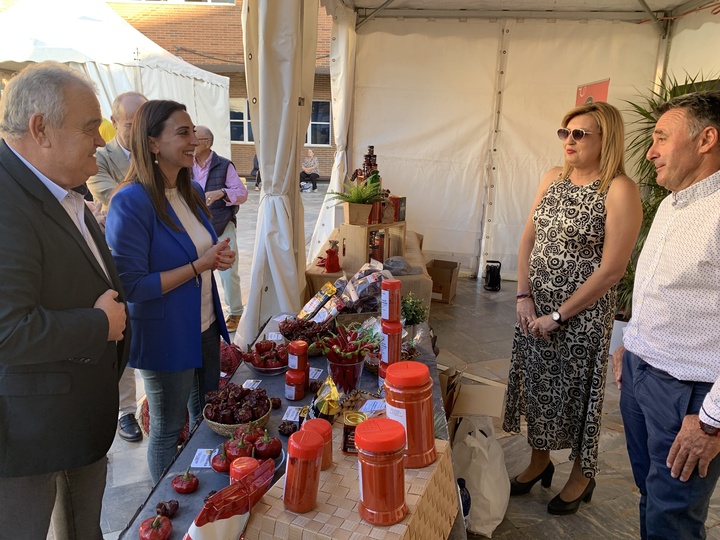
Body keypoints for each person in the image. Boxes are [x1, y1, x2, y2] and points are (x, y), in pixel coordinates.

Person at [0, 61, 128, 539]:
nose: (101, 140)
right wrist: (99, 326)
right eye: (90, 127)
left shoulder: (60, 190)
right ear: (41, 129)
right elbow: (7, 330)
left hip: (74, 419)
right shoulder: (6, 199)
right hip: (26, 438)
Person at [502, 101, 642, 515]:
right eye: (565, 132)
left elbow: (613, 268)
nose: (569, 140)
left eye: (580, 134)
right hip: (535, 307)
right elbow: (528, 238)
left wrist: (559, 315)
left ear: (606, 139)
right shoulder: (552, 178)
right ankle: (539, 460)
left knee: (579, 394)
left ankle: (582, 474)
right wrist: (523, 297)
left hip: (581, 316)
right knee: (540, 386)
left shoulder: (619, 188)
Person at [105, 100, 235, 483]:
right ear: (152, 143)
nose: (193, 140)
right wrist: (199, 265)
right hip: (164, 334)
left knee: (207, 416)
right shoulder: (131, 202)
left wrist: (215, 259)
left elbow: (201, 252)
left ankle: (203, 491)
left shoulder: (191, 191)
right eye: (183, 132)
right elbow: (132, 285)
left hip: (206, 324)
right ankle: (164, 511)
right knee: (166, 428)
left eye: (193, 131)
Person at [612, 91, 720, 539]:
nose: (650, 151)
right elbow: (656, 289)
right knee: (651, 495)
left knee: (672, 515)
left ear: (706, 139)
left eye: (661, 137)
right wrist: (628, 344)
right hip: (641, 375)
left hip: (690, 393)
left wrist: (713, 421)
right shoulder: (673, 203)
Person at [87, 91, 148, 443]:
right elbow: (116, 199)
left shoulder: (154, 150)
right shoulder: (100, 158)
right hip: (117, 258)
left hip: (154, 257)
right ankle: (126, 410)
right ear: (114, 124)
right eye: (131, 123)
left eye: (144, 122)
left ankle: (154, 402)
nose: (139, 130)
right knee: (120, 331)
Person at [193, 125, 248, 332]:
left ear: (206, 142)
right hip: (194, 225)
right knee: (196, 269)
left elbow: (242, 193)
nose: (190, 142)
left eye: (195, 139)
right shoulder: (185, 164)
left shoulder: (224, 165)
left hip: (221, 224)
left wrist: (222, 192)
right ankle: (202, 313)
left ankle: (235, 312)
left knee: (228, 271)